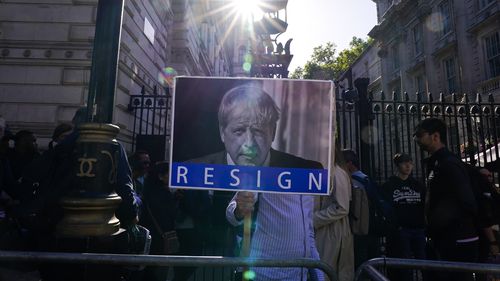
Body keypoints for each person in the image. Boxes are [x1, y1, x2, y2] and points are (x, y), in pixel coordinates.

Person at [210, 85, 324, 281]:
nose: (249, 143)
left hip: (301, 273)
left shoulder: (305, 171)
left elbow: (307, 229)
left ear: (273, 133)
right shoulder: (254, 167)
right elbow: (234, 210)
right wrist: (240, 208)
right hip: (264, 274)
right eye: (239, 130)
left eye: (259, 131)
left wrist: (318, 272)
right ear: (222, 132)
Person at [413, 117, 478, 281]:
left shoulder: (447, 163)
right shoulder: (438, 163)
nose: (416, 139)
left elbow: (466, 201)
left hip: (455, 239)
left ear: (435, 136)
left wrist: (440, 223)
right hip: (445, 238)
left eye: (419, 134)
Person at [381, 153, 426, 281]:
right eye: (404, 163)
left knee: (424, 263)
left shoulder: (418, 185)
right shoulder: (389, 186)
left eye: (410, 163)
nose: (408, 166)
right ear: (397, 165)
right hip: (401, 230)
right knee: (404, 267)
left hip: (418, 229)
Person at [313, 145, 354, 281]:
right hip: (326, 228)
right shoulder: (327, 171)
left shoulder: (337, 173)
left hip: (332, 230)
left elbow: (342, 207)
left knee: (326, 271)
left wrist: (314, 219)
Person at [342, 149, 381, 269]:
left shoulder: (352, 182)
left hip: (358, 227)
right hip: (373, 225)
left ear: (349, 164)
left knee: (359, 261)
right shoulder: (367, 179)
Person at [140, 162, 177, 281]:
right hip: (161, 238)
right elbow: (171, 214)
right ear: (161, 176)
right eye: (169, 174)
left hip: (149, 236)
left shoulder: (148, 192)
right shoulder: (164, 194)